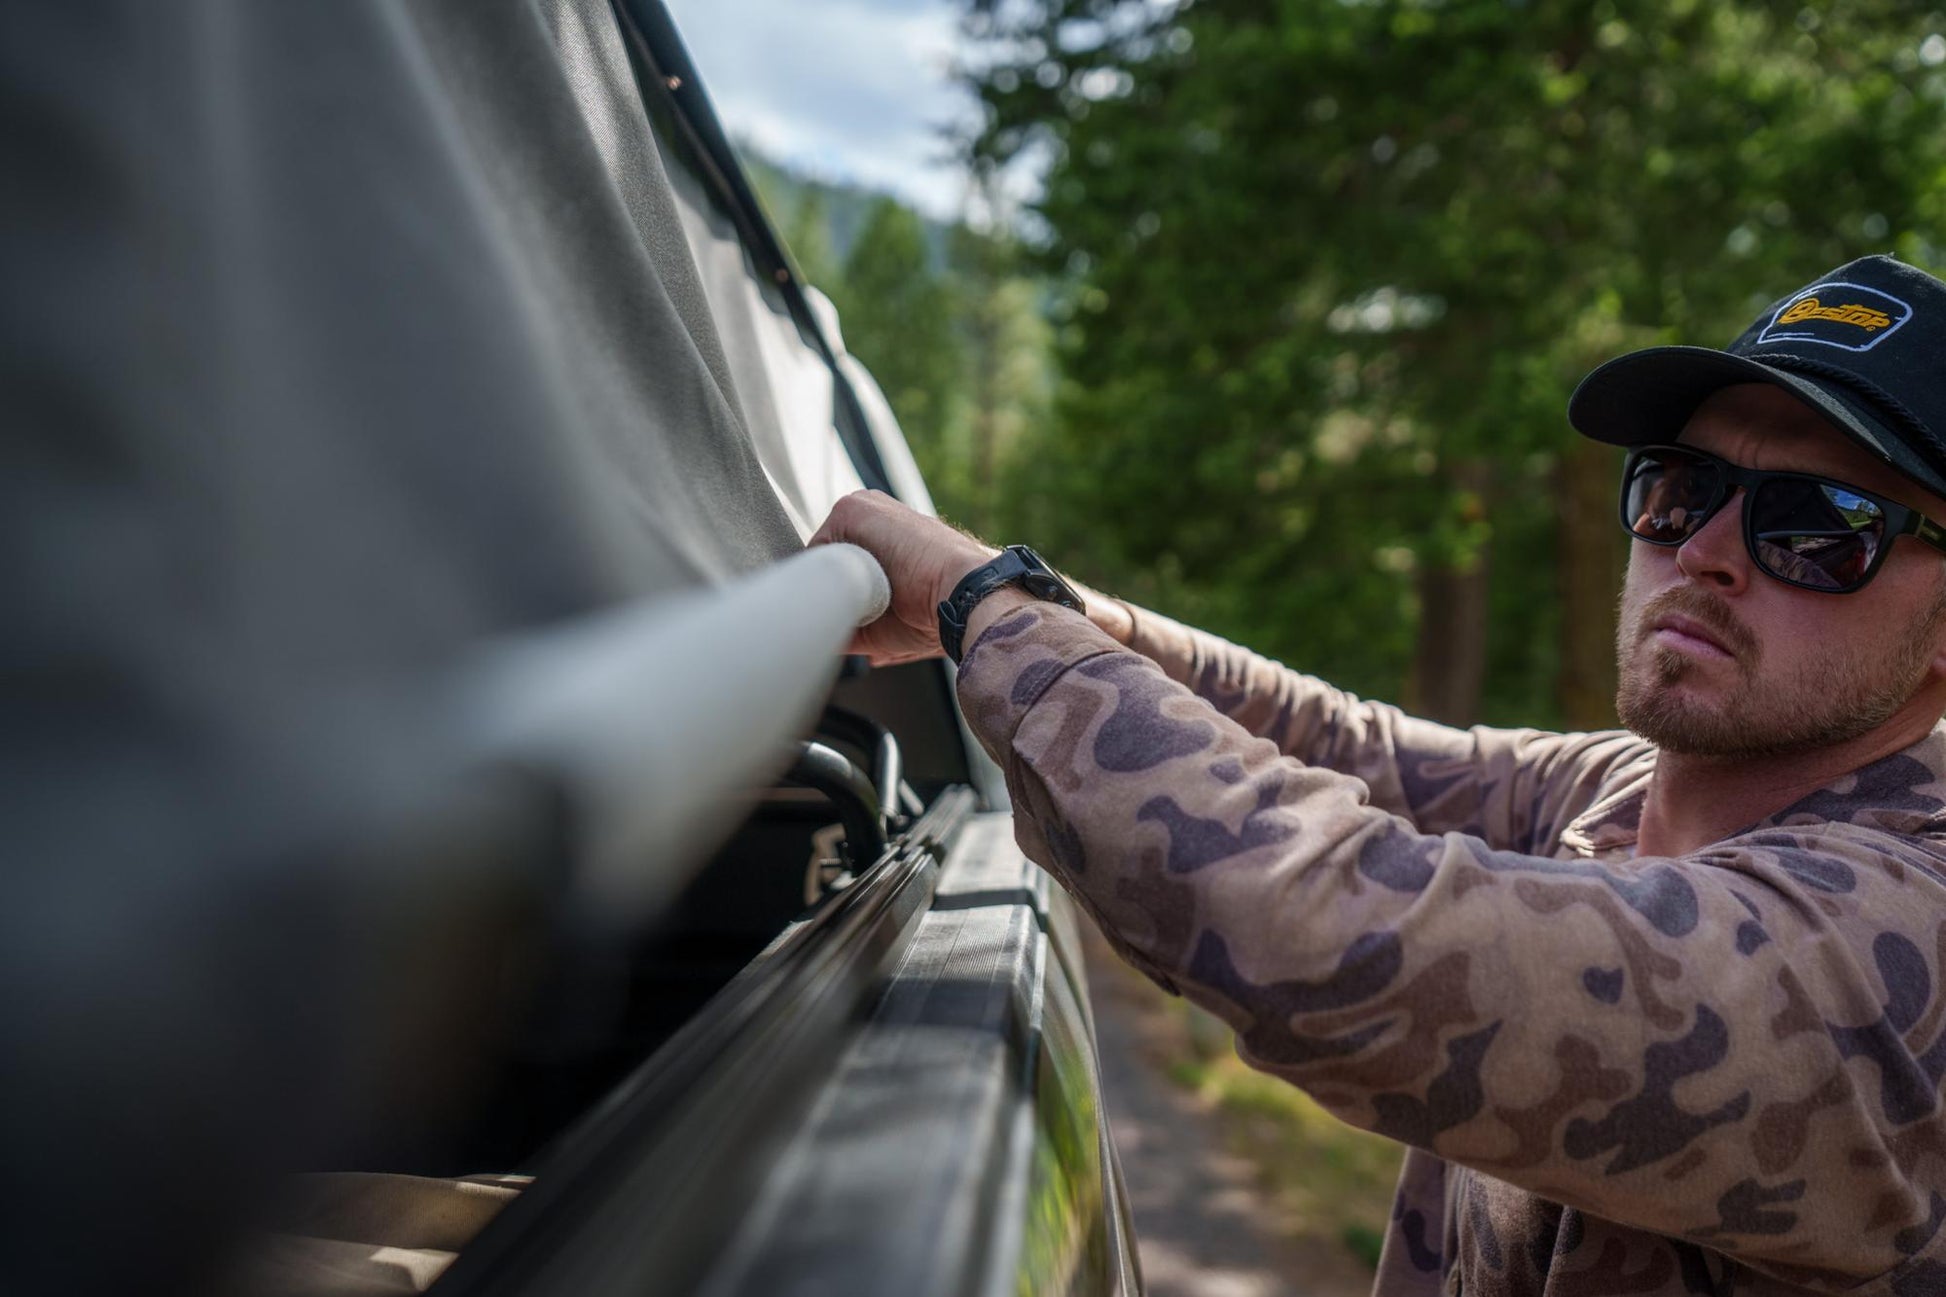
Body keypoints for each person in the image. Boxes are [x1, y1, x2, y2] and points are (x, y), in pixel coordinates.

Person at [810, 254, 1946, 1295]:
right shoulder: (1629, 784)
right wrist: (1060, 612)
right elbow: (1345, 743)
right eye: (1677, 487)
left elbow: (1329, 926)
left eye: (1817, 524)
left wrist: (987, 610)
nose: (1700, 550)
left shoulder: (1896, 946)